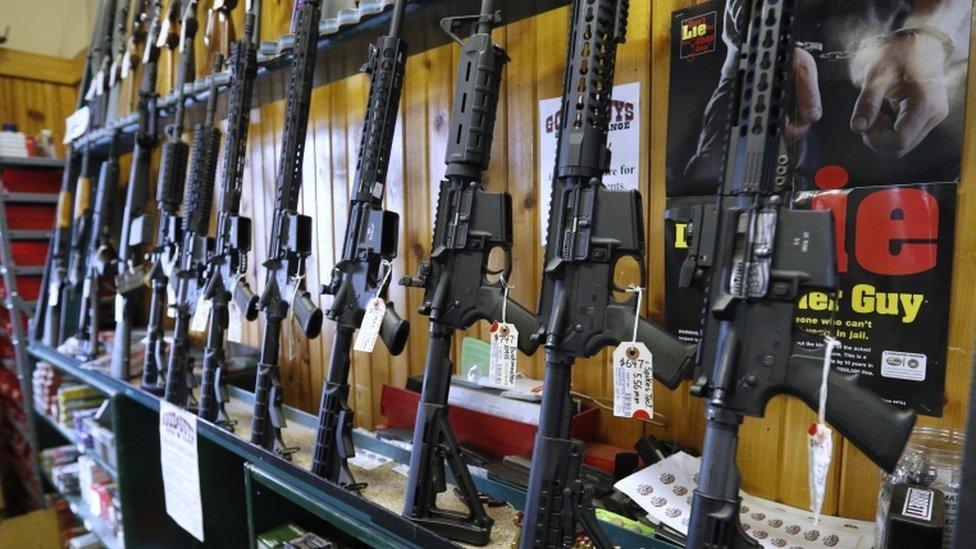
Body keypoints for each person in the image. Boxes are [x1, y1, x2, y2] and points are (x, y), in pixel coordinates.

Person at [685, 0, 971, 190]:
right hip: (760, 68)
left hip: (901, 75)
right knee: (709, 187)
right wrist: (765, 41)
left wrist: (928, 33)